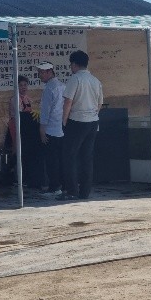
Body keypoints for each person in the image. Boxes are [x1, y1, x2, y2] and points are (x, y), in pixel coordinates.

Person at [61, 49, 103, 200]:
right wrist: (92, 114)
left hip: (77, 121)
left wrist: (64, 120)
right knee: (87, 158)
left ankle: (72, 191)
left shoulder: (75, 79)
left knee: (70, 156)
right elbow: (100, 103)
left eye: (71, 65)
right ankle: (85, 192)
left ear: (74, 64)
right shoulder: (95, 80)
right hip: (93, 122)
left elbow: (68, 101)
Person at [36, 62, 65, 195]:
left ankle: (54, 187)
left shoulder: (50, 88)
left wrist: (42, 130)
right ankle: (61, 185)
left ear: (49, 72)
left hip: (51, 129)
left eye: (42, 72)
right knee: (60, 159)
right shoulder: (62, 86)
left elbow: (45, 111)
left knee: (51, 160)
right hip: (61, 127)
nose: (40, 75)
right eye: (39, 72)